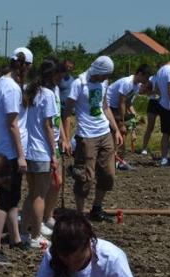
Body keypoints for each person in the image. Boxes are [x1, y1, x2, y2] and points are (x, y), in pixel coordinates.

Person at [0, 47, 33, 266]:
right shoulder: (11, 88)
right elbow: (13, 124)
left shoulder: (1, 83)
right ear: (25, 66)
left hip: (5, 148)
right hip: (10, 152)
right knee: (5, 199)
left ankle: (14, 238)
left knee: (13, 197)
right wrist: (21, 156)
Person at [64, 56, 123, 223]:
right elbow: (67, 113)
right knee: (85, 178)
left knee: (108, 175)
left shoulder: (104, 83)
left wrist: (115, 129)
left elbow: (104, 107)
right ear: (97, 71)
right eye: (105, 74)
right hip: (86, 136)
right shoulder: (79, 84)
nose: (106, 78)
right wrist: (66, 139)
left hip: (104, 133)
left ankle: (97, 208)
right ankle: (80, 214)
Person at [21, 60, 63, 247]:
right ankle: (36, 235)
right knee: (40, 195)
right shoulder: (47, 94)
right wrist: (53, 152)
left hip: (27, 148)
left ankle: (23, 232)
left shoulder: (28, 90)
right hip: (40, 151)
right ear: (52, 76)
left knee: (31, 193)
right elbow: (48, 125)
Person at [106, 64, 152, 167]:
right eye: (146, 77)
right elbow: (121, 102)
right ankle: (112, 159)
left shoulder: (136, 86)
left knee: (123, 132)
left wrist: (135, 115)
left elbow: (128, 102)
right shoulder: (127, 82)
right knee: (117, 131)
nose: (147, 79)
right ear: (140, 74)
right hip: (109, 105)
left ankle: (118, 159)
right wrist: (121, 122)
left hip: (117, 107)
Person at [42, 61, 69, 236]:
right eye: (59, 75)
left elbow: (58, 117)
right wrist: (53, 149)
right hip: (44, 143)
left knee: (57, 182)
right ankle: (40, 218)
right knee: (46, 183)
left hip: (56, 140)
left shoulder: (56, 90)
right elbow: (47, 124)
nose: (61, 79)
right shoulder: (43, 92)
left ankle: (48, 215)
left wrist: (64, 138)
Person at [139, 71, 162, 155]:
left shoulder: (164, 77)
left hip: (163, 102)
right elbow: (144, 92)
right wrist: (154, 91)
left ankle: (165, 148)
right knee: (150, 126)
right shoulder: (152, 78)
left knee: (165, 128)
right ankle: (144, 147)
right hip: (153, 102)